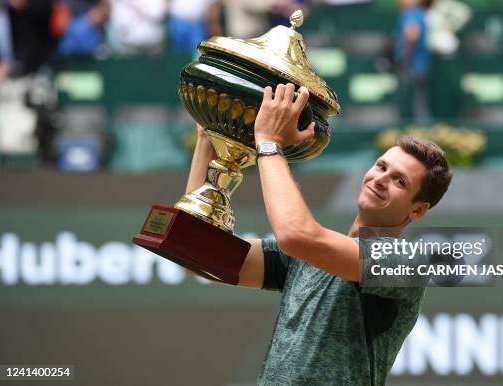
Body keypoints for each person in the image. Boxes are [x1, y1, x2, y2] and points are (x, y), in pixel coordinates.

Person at [186, 83, 453, 384]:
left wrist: (269, 143)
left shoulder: (405, 263)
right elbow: (197, 252)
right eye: (381, 167)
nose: (380, 180)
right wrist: (207, 140)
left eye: (399, 182)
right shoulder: (305, 258)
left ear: (416, 211)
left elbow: (296, 235)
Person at [394, 0, 432, 123]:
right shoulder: (419, 12)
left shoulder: (412, 12)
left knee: (414, 106)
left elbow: (411, 35)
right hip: (420, 65)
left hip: (411, 67)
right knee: (420, 103)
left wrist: (403, 58)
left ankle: (418, 136)